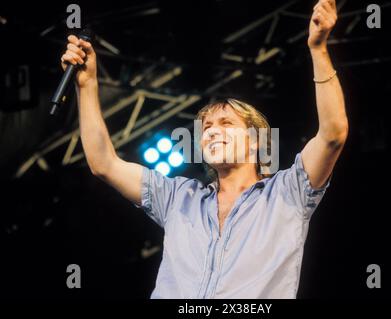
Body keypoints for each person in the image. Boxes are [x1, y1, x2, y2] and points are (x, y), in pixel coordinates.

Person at [61, 0, 347, 298]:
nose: (212, 131)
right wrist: (87, 84)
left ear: (256, 141)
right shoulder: (177, 197)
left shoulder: (288, 193)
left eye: (226, 123)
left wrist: (318, 49)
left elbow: (333, 134)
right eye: (207, 127)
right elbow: (103, 163)